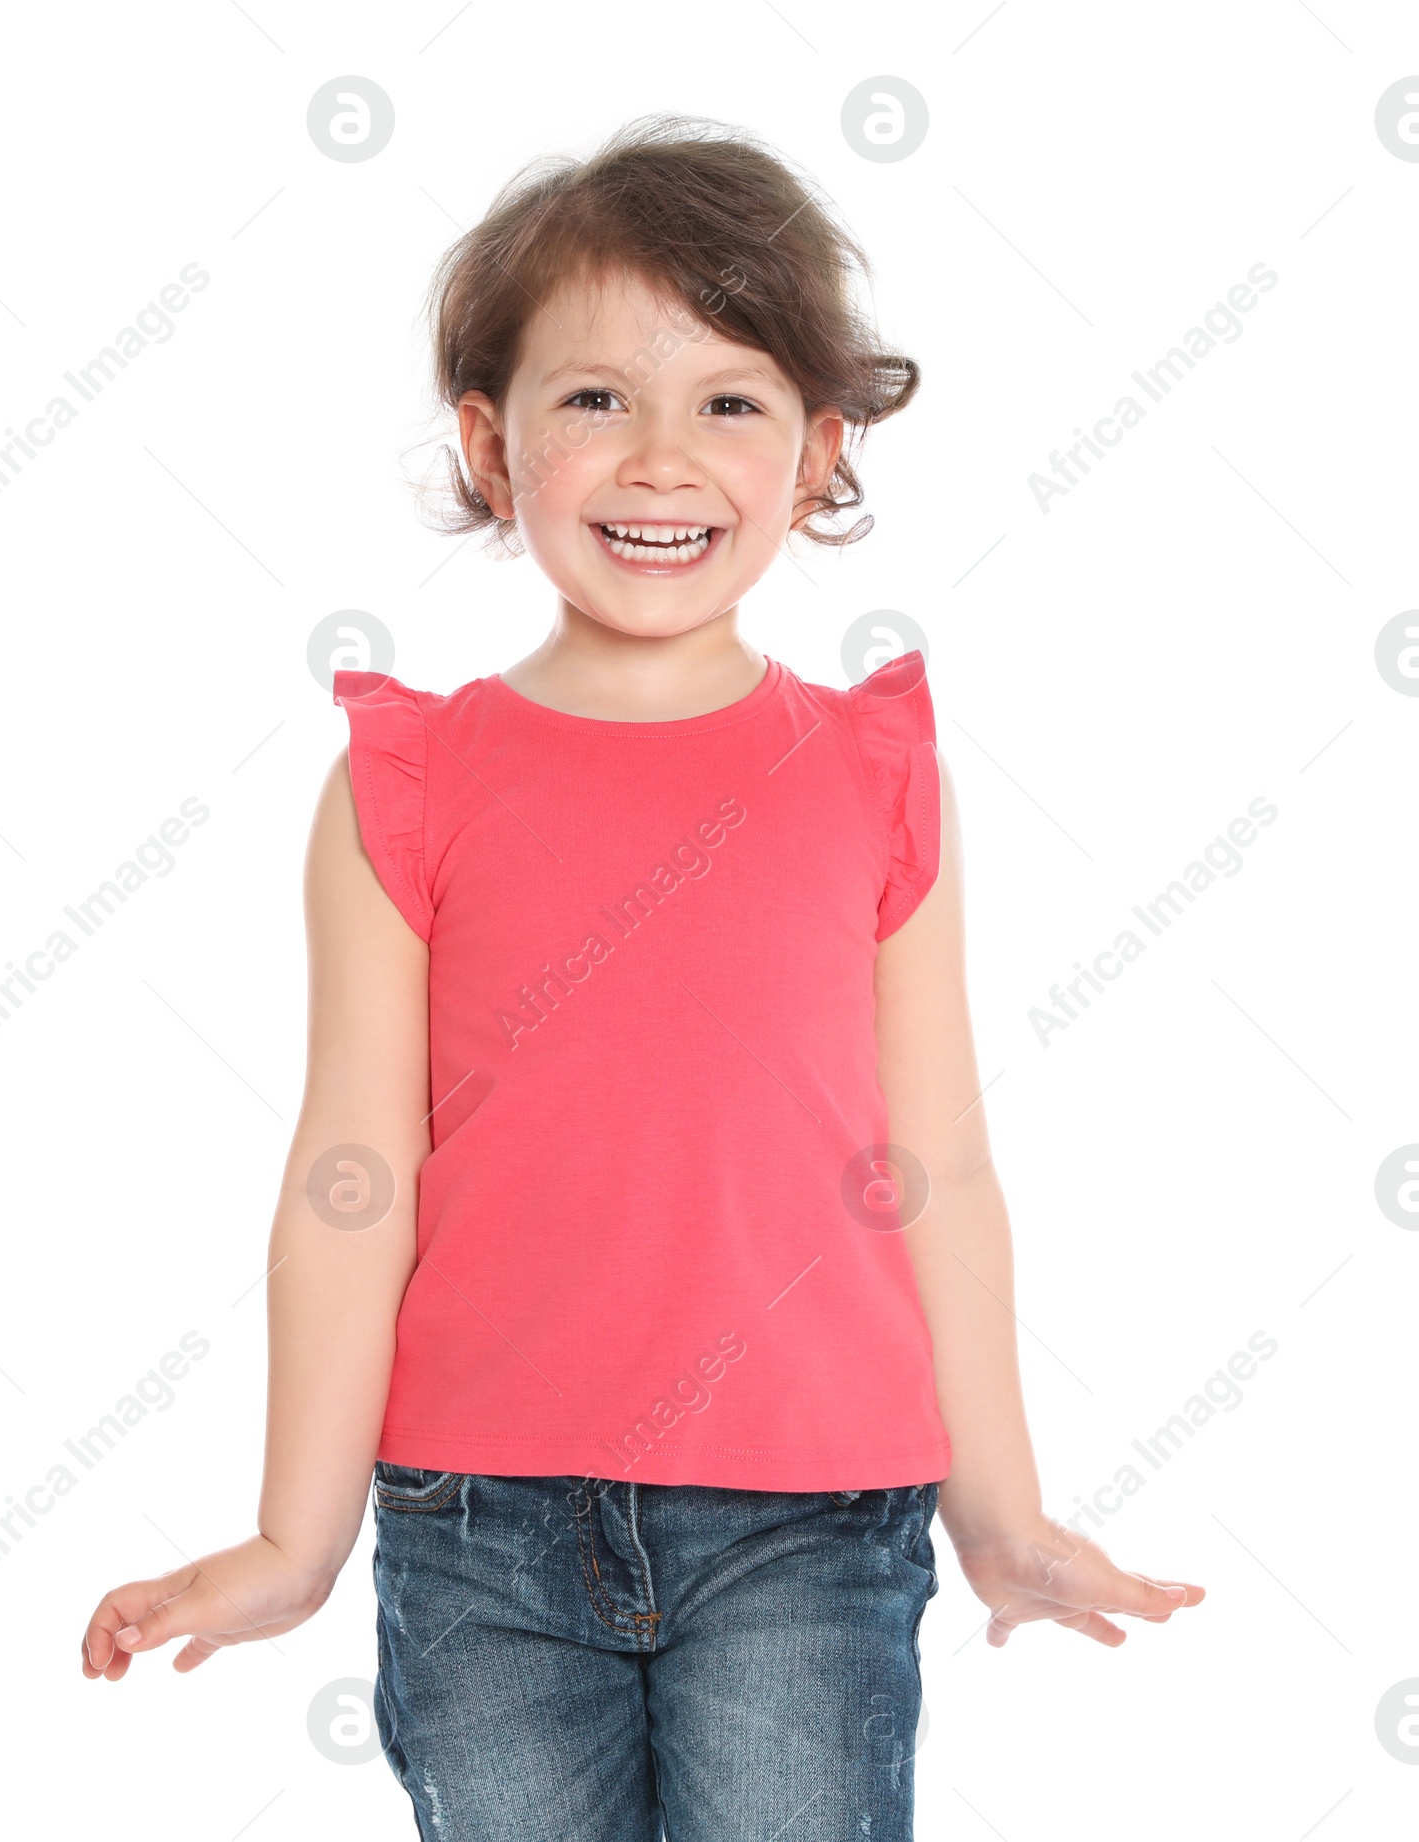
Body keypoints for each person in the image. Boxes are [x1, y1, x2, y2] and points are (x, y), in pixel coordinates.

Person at [80, 112, 1204, 1840]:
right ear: (490, 441)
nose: (663, 458)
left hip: (814, 1517)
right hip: (479, 1528)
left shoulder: (873, 770)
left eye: (731, 403)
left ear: (821, 452)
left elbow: (941, 1164)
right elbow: (348, 1172)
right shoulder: (412, 777)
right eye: (597, 399)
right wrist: (294, 1540)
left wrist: (1004, 1513)